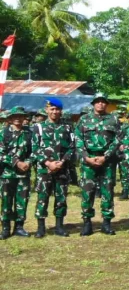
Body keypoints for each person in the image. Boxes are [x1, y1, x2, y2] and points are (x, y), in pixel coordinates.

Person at [75, 93, 122, 236]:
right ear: (93, 104)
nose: (100, 104)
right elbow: (78, 139)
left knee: (107, 191)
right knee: (87, 192)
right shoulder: (84, 119)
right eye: (97, 101)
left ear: (106, 104)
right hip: (88, 161)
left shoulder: (113, 119)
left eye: (103, 102)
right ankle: (87, 223)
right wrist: (86, 157)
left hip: (107, 161)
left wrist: (105, 156)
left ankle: (106, 223)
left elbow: (117, 139)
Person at [32, 99, 75, 238]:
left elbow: (72, 147)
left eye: (57, 109)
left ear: (61, 111)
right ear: (47, 110)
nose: (55, 112)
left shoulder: (68, 127)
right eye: (52, 109)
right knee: (42, 198)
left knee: (61, 198)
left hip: (62, 168)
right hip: (44, 170)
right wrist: (48, 163)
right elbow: (35, 148)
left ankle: (59, 226)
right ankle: (41, 228)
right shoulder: (38, 127)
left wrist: (62, 162)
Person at [1, 107, 33, 238]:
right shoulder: (3, 133)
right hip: (7, 173)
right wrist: (17, 162)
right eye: (15, 116)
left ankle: (19, 227)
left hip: (23, 174)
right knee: (6, 200)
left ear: (24, 118)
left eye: (20, 116)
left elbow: (35, 151)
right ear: (10, 118)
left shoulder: (29, 133)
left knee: (22, 200)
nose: (18, 118)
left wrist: (28, 162)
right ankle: (5, 228)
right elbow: (1, 153)